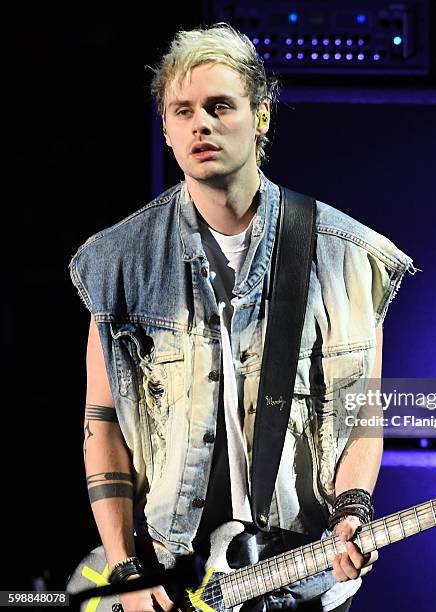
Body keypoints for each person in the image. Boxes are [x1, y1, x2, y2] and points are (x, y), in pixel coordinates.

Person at [69, 22, 414, 611]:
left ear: (262, 117)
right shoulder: (118, 263)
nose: (200, 123)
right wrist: (126, 570)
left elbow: (363, 417)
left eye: (220, 105)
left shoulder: (346, 257)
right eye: (182, 111)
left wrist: (353, 514)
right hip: (169, 573)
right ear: (168, 131)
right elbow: (102, 426)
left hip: (300, 574)